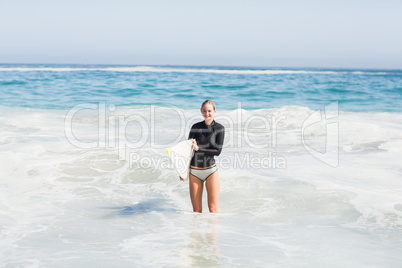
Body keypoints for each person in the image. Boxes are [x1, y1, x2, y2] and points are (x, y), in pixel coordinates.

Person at [182, 100, 225, 213]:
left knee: (213, 209)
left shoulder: (219, 128)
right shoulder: (195, 127)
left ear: (214, 111)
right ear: (201, 111)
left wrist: (198, 148)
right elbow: (187, 151)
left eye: (209, 111)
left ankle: (213, 231)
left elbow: (217, 151)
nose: (207, 114)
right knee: (196, 210)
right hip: (194, 171)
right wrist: (182, 172)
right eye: (204, 111)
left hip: (210, 171)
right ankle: (195, 231)